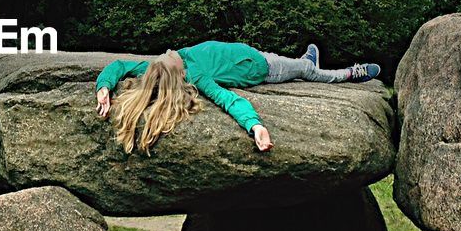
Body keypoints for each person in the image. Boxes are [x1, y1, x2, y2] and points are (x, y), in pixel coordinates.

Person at [94, 41, 380, 154]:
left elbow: (120, 66)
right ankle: (347, 75)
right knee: (306, 70)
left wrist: (104, 87)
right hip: (261, 68)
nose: (170, 52)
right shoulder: (196, 76)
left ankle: (304, 61)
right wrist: (255, 125)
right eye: (171, 58)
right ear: (177, 75)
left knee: (298, 64)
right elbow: (228, 100)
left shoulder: (158, 68)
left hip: (250, 54)